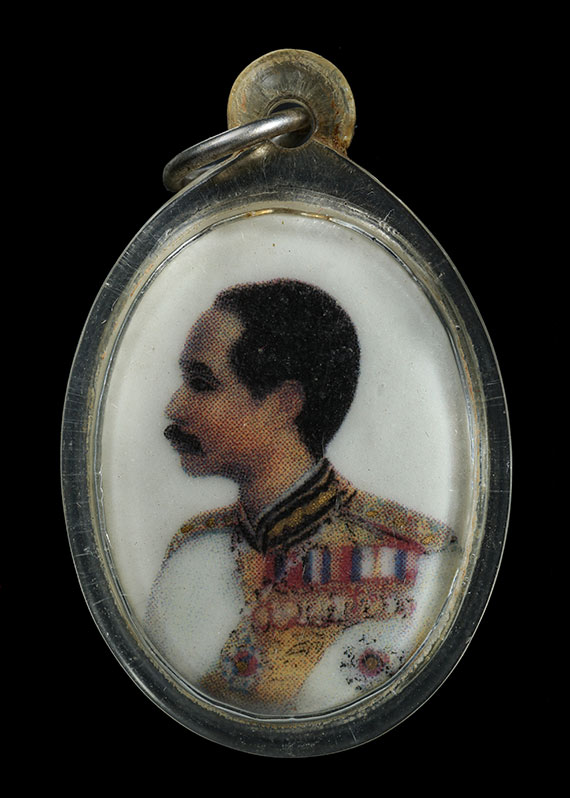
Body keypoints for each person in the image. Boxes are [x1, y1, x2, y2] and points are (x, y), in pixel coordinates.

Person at [144, 278, 454, 714]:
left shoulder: (419, 558)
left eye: (201, 383)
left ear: (284, 403)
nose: (174, 407)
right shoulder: (191, 551)